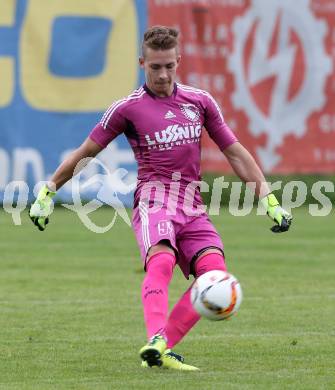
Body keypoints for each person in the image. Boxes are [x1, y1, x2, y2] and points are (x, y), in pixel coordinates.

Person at [30, 26, 292, 371]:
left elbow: (236, 153)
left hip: (192, 203)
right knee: (162, 259)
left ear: (178, 61)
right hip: (155, 198)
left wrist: (269, 200)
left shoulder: (200, 102)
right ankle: (155, 336)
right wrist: (49, 191)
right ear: (142, 63)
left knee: (213, 275)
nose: (163, 74)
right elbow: (86, 152)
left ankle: (162, 347)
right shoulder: (127, 109)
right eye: (155, 67)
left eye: (169, 65)